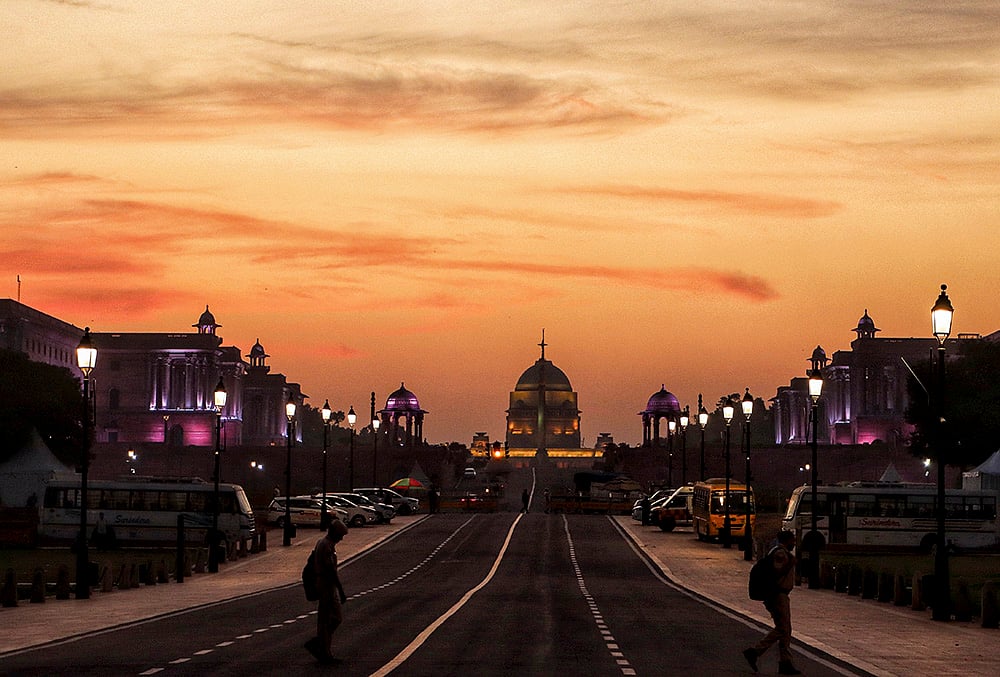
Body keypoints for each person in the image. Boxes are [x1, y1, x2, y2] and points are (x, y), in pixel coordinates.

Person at [743, 530, 800, 675]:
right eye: (793, 540)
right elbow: (776, 572)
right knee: (782, 629)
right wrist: (791, 563)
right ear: (788, 540)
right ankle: (755, 651)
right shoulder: (780, 554)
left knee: (785, 629)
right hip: (777, 595)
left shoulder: (778, 551)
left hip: (779, 595)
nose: (794, 543)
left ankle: (785, 662)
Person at [305, 519, 348, 665]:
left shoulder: (321, 543)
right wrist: (341, 590)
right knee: (334, 618)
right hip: (326, 585)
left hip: (324, 584)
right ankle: (321, 644)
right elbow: (331, 571)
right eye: (340, 535)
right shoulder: (327, 546)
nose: (341, 538)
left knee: (326, 619)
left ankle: (323, 648)